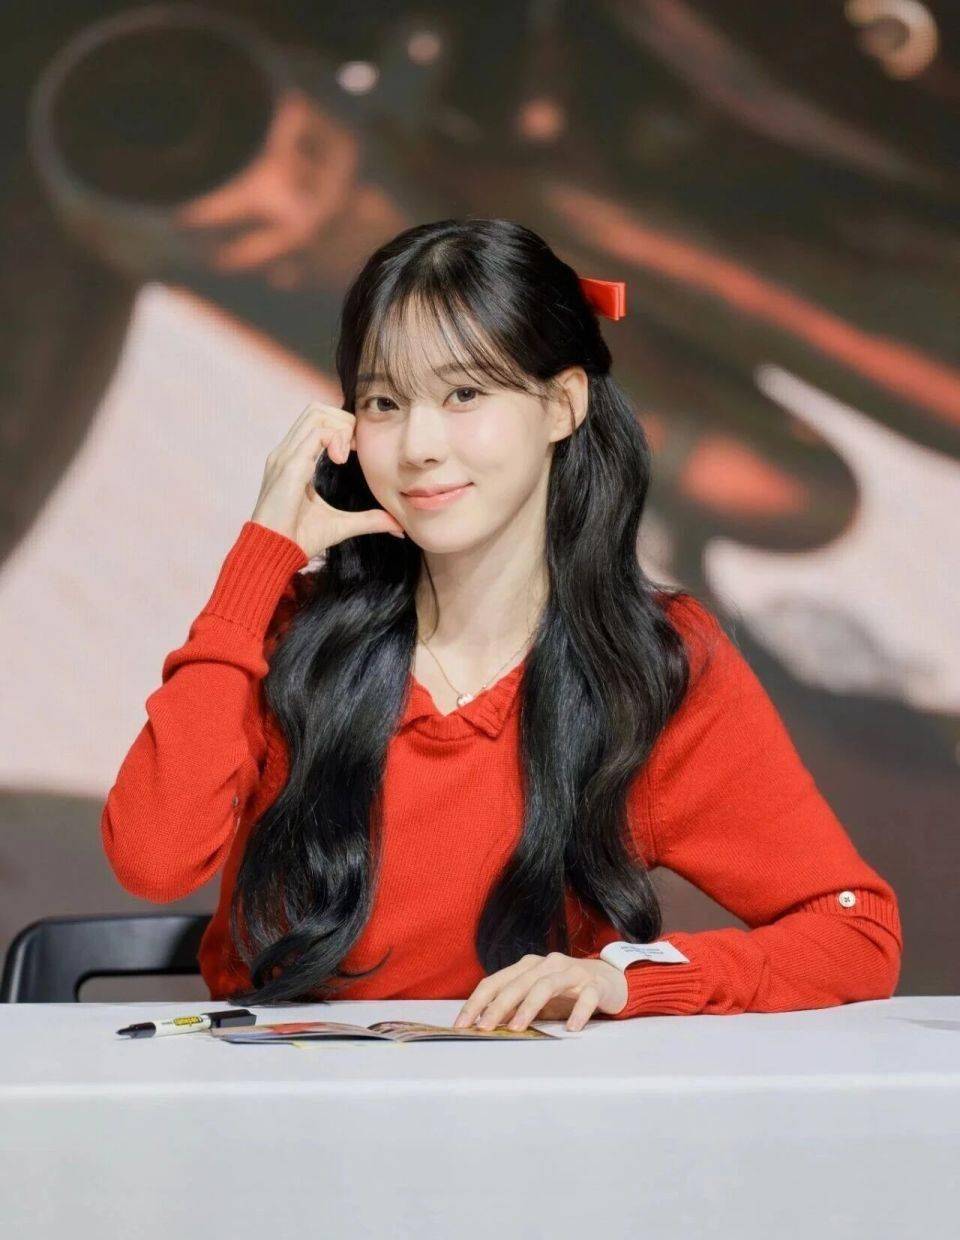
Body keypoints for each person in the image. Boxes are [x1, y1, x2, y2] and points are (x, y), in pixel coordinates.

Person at [101, 217, 902, 1030]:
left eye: (464, 394)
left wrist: (627, 982)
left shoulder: (648, 662)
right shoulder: (287, 633)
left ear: (561, 404)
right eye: (384, 402)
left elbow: (853, 933)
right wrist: (260, 560)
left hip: (529, 1100)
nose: (418, 446)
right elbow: (153, 862)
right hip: (281, 1094)